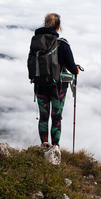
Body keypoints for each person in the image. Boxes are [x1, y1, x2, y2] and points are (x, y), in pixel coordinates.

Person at [34, 13, 80, 148]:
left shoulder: (37, 42)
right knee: (56, 118)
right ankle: (55, 148)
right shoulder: (63, 44)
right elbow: (72, 68)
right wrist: (76, 70)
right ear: (58, 27)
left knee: (43, 117)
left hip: (40, 85)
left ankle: (44, 145)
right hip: (58, 88)